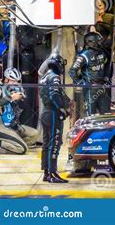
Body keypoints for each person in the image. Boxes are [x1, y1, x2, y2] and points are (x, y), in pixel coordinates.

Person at [39, 54, 72, 183]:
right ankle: (52, 173)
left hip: (45, 112)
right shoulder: (54, 77)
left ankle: (46, 173)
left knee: (46, 144)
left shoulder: (44, 77)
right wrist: (62, 109)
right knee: (55, 144)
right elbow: (54, 95)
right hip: (53, 114)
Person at [0, 68, 38, 154]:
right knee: (23, 149)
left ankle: (12, 145)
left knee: (35, 134)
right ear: (6, 79)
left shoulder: (14, 89)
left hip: (13, 124)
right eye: (12, 81)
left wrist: (21, 96)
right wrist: (11, 98)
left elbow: (22, 103)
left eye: (17, 81)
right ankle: (3, 143)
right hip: (1, 126)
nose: (15, 83)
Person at [69, 32, 110, 116]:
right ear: (91, 42)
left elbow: (107, 64)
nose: (100, 43)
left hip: (102, 87)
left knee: (106, 115)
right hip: (90, 90)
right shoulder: (84, 56)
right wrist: (81, 83)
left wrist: (106, 76)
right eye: (98, 41)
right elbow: (72, 71)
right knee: (90, 116)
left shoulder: (102, 53)